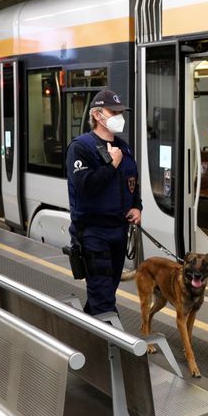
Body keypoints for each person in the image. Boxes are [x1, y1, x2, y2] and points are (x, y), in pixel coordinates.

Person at [66, 89, 142, 316]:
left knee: (106, 290)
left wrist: (137, 206)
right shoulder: (81, 147)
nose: (120, 116)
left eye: (121, 111)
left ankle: (85, 332)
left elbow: (132, 181)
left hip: (118, 231)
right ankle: (114, 346)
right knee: (103, 296)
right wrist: (111, 166)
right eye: (114, 111)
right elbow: (86, 186)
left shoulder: (123, 147)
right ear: (98, 115)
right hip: (92, 233)